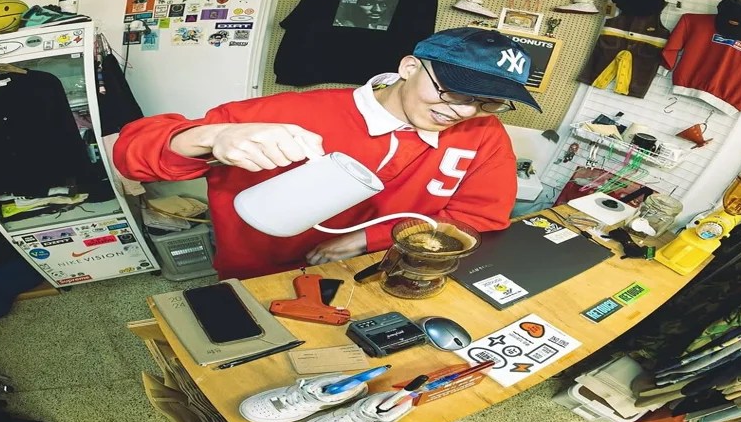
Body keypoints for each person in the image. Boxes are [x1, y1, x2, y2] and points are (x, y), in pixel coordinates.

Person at [113, 26, 543, 281]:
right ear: (410, 68)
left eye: (488, 101)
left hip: (378, 269)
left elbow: (481, 218)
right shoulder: (288, 112)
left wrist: (369, 240)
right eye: (453, 90)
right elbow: (131, 153)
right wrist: (208, 138)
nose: (465, 111)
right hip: (259, 273)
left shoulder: (484, 134)